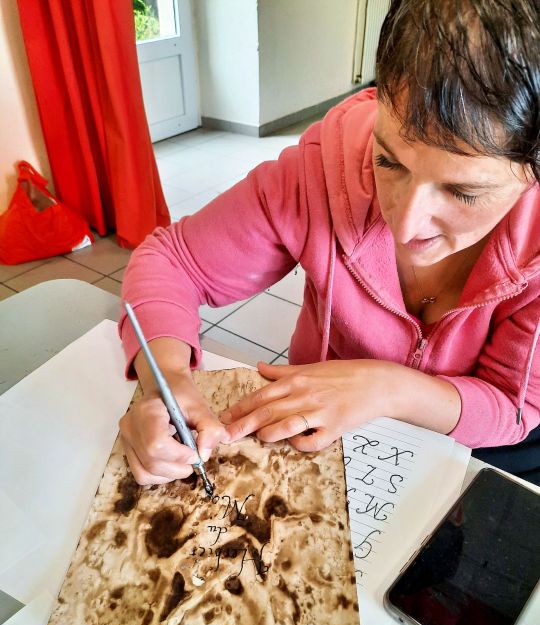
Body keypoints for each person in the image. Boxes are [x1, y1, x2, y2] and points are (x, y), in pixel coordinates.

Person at [119, 0, 540, 486]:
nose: (404, 226)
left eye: (464, 192)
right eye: (388, 161)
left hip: (475, 461)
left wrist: (386, 389)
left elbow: (512, 405)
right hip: (322, 458)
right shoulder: (322, 169)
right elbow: (170, 262)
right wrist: (166, 382)